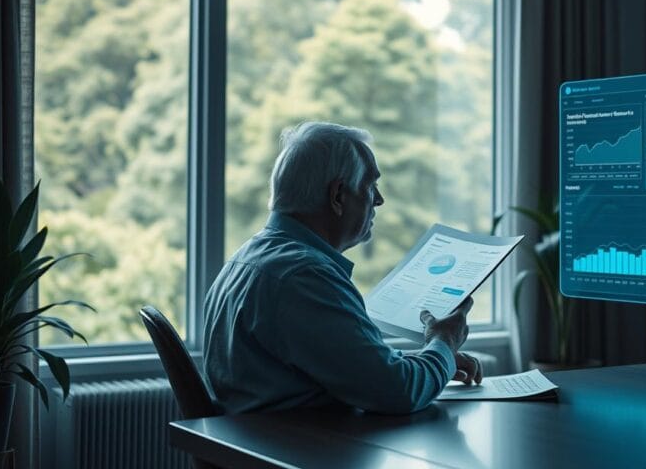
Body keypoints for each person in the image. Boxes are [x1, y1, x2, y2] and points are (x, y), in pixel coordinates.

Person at [203, 121, 482, 415]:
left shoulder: (249, 259)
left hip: (270, 449)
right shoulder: (304, 276)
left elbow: (346, 366)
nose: (379, 200)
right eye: (370, 185)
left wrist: (432, 360)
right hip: (306, 455)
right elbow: (398, 392)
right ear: (338, 195)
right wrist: (444, 341)